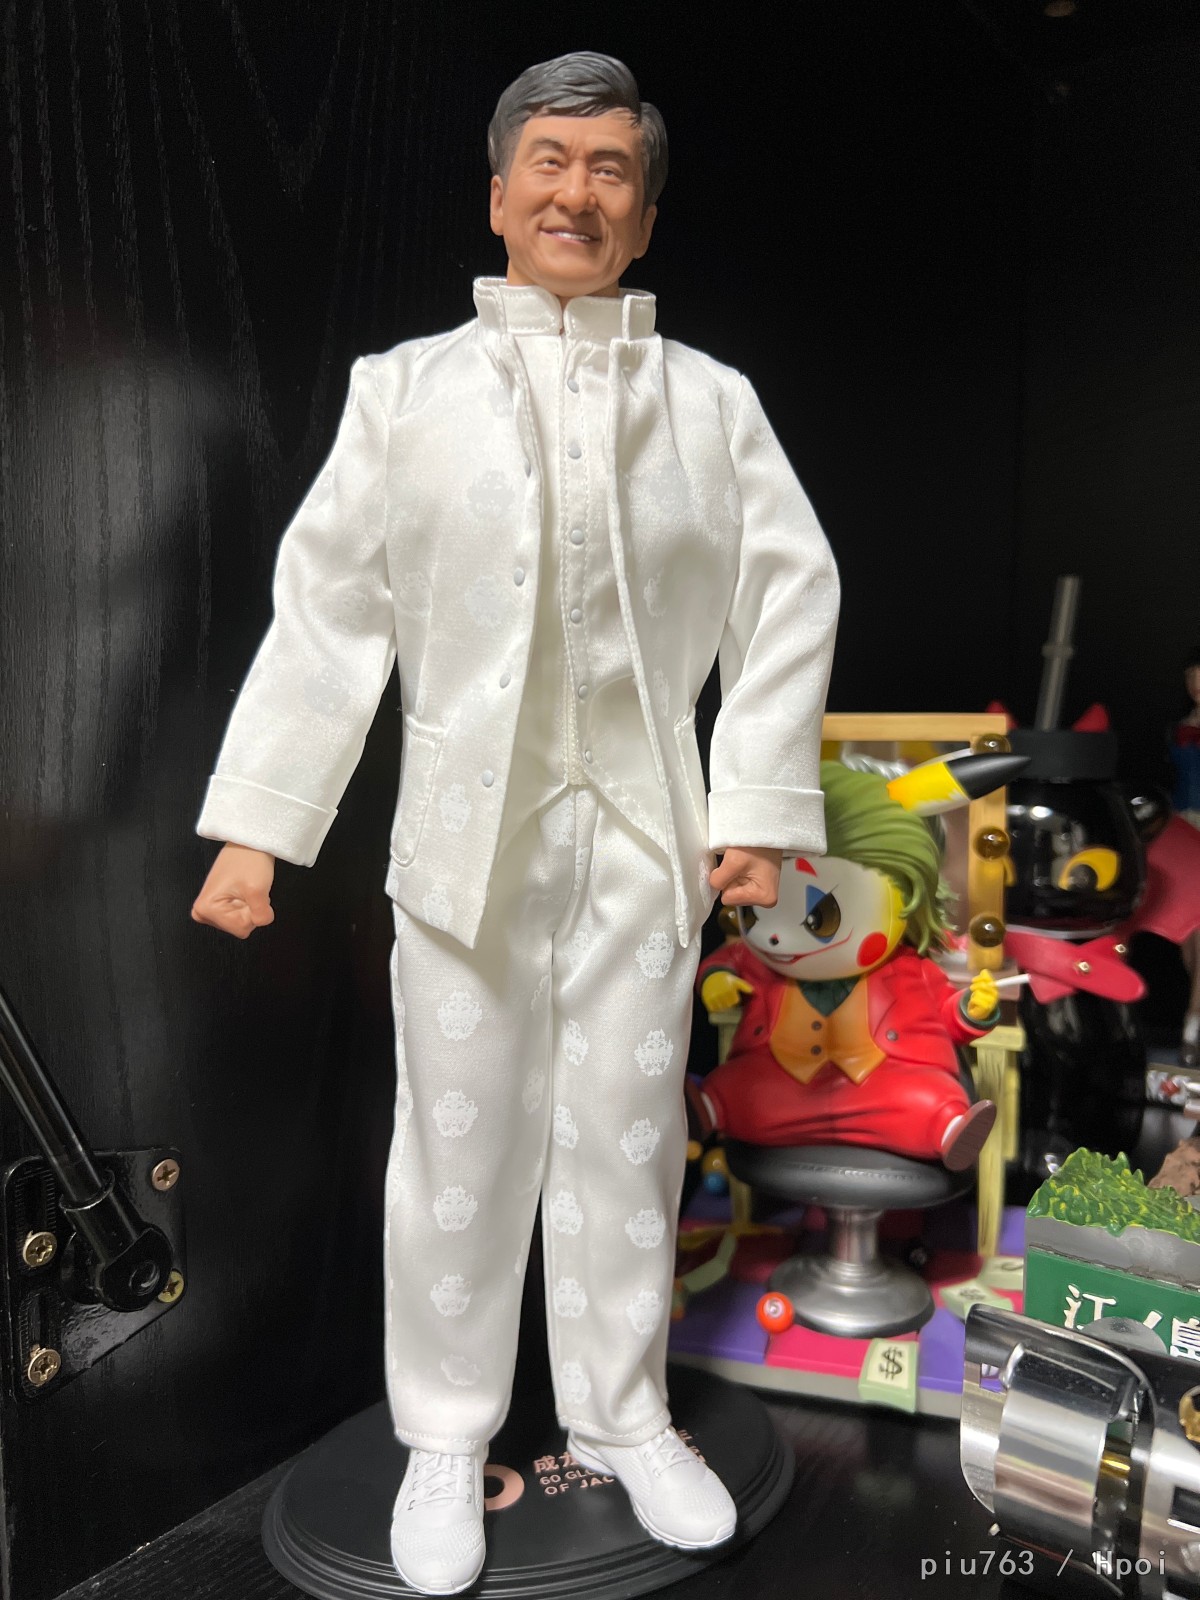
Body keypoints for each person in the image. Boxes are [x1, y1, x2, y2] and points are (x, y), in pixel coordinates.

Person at [191, 52, 839, 1595]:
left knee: (626, 1135)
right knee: (458, 1143)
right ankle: (444, 1433)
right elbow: (330, 613)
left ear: (645, 215)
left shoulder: (712, 407)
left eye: (611, 169)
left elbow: (787, 595)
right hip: (464, 844)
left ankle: (624, 1415)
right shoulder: (403, 392)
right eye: (551, 161)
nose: (577, 193)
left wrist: (755, 804)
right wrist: (259, 828)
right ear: (498, 195)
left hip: (646, 836)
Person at [1170, 646, 1200, 1066]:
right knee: (1187, 942)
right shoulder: (1179, 726)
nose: (1197, 686)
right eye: (1192, 679)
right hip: (1181, 829)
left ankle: (1192, 1025)